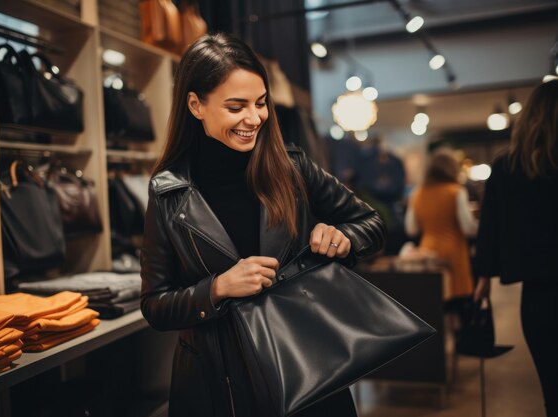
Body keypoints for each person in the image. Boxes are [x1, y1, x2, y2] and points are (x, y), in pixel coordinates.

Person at [139, 33, 385, 417]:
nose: (253, 119)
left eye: (260, 103)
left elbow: (370, 222)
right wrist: (217, 289)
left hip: (305, 364)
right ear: (195, 105)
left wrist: (344, 238)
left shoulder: (291, 168)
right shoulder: (168, 193)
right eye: (236, 107)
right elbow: (155, 305)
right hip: (217, 382)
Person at [474, 79, 558, 417]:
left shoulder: (508, 168)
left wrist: (482, 278)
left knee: (553, 389)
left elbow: (489, 228)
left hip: (539, 298)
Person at [405, 149, 478, 302]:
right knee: (458, 304)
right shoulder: (456, 191)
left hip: (428, 253)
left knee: (435, 305)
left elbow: (411, 229)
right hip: (454, 253)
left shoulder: (417, 193)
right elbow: (468, 228)